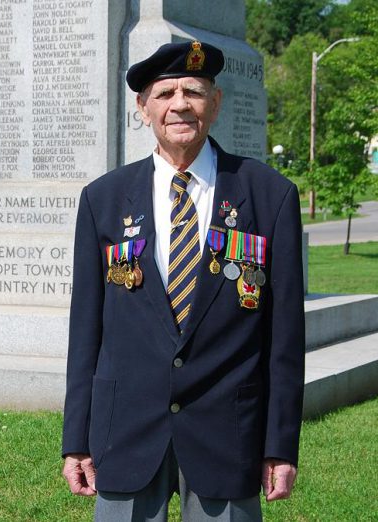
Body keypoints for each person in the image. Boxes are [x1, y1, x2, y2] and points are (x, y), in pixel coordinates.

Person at [61, 40, 305, 521]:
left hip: (228, 432)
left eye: (193, 91)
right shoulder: (103, 199)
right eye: (165, 93)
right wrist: (77, 439)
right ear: (143, 107)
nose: (179, 104)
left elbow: (285, 338)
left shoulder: (269, 195)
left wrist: (280, 445)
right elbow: (85, 332)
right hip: (125, 430)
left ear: (214, 104)